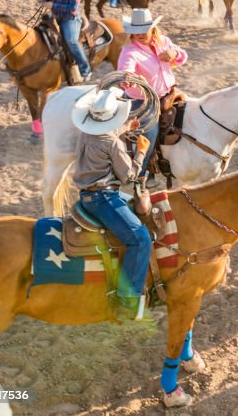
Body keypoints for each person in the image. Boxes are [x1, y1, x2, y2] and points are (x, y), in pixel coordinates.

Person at [71, 87, 152, 320]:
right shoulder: (112, 145)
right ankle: (127, 300)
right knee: (140, 237)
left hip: (87, 197)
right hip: (104, 198)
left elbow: (105, 134)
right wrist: (141, 153)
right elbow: (129, 177)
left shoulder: (85, 133)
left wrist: (125, 128)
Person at [117, 8, 188, 185]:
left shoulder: (163, 41)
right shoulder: (129, 51)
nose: (140, 34)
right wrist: (130, 80)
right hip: (144, 101)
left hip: (170, 94)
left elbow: (183, 55)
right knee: (150, 130)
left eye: (144, 29)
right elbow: (125, 72)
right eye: (136, 31)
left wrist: (174, 54)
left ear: (153, 28)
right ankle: (142, 173)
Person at [35, 0, 91, 83]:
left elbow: (73, 8)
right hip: (56, 17)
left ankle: (85, 69)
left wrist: (53, 5)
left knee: (72, 41)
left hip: (70, 19)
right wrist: (41, 0)